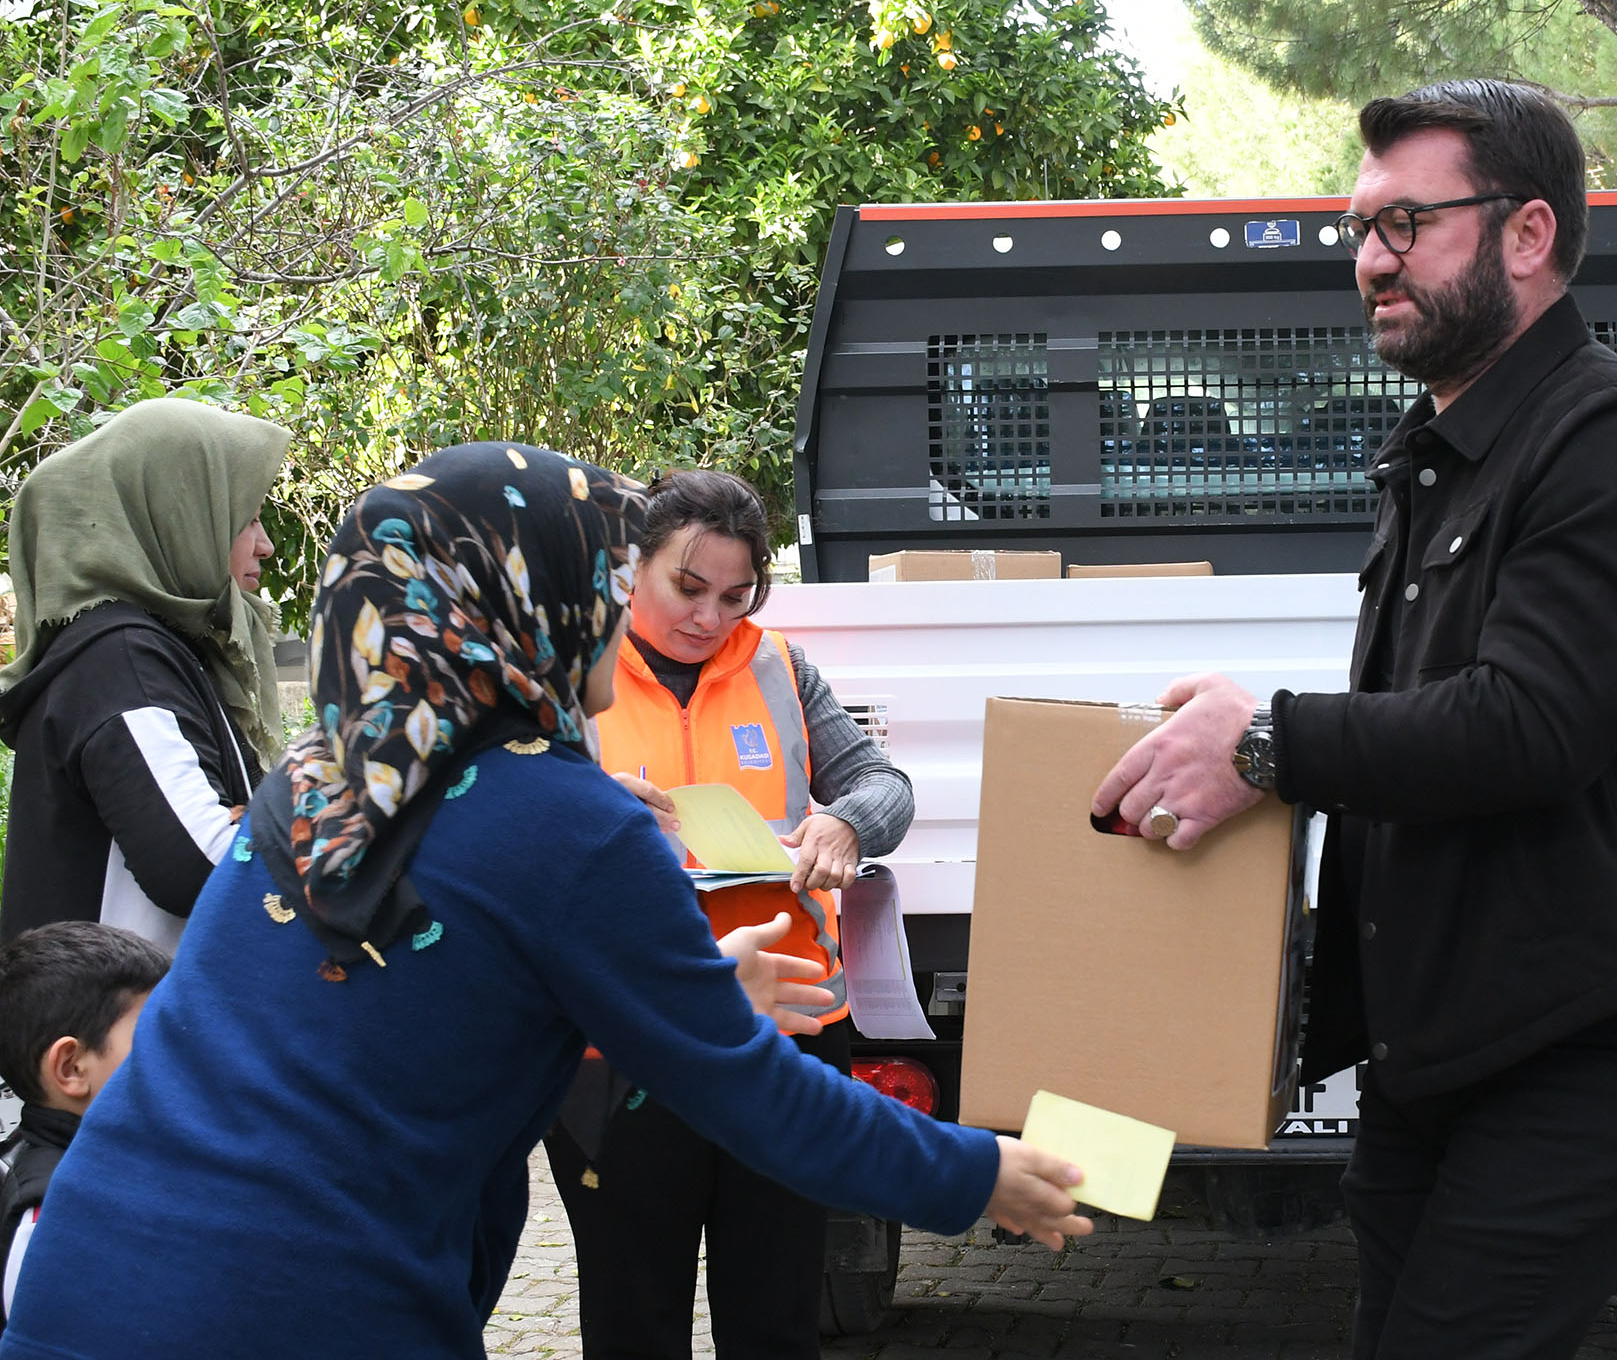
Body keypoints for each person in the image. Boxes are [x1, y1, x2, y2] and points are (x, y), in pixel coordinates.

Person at [0, 442, 1088, 1360]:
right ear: (529, 604)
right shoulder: (564, 818)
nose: (630, 617)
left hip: (83, 1276)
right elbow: (761, 1100)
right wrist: (978, 1170)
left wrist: (696, 994)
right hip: (289, 1305)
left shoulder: (322, 775)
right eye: (612, 587)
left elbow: (419, 1011)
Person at [1092, 80, 1617, 1360]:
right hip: (1441, 1050)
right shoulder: (1438, 453)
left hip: (1588, 1045)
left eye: (1405, 224)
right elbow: (1428, 728)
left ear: (1524, 234)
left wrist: (1266, 742)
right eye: (1360, 228)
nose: (1367, 260)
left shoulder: (1612, 437)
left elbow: (1526, 726)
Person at [547, 468, 911, 1359]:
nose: (710, 617)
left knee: (778, 1312)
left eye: (736, 595)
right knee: (635, 1315)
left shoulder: (780, 666)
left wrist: (842, 823)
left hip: (786, 1035)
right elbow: (482, 816)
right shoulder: (561, 672)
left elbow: (883, 784)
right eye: (687, 586)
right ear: (628, 566)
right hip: (625, 1041)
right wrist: (584, 802)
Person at [0, 397, 291, 951]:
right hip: (104, 1028)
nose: (265, 545)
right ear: (177, 516)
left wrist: (251, 819)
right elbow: (201, 862)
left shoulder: (164, 647)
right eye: (246, 518)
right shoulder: (120, 659)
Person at [0, 922, 171, 1335]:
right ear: (72, 1068)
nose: (183, 1054)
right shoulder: (53, 1220)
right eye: (158, 1037)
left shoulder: (111, 1161)